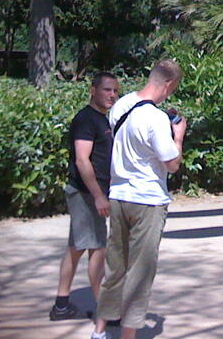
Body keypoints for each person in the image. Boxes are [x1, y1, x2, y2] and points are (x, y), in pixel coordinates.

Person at [90, 59, 186, 339]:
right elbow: (172, 164)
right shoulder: (156, 119)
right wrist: (178, 137)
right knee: (140, 273)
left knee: (115, 268)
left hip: (119, 195)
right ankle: (128, 335)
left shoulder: (121, 105)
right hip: (148, 200)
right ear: (168, 84)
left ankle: (100, 331)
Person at [49, 72, 120, 321]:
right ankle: (104, 309)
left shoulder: (102, 119)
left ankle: (61, 304)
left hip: (89, 193)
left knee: (77, 248)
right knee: (97, 249)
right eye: (107, 90)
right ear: (93, 90)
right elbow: (82, 159)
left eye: (115, 91)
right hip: (86, 194)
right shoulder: (86, 119)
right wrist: (99, 195)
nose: (112, 95)